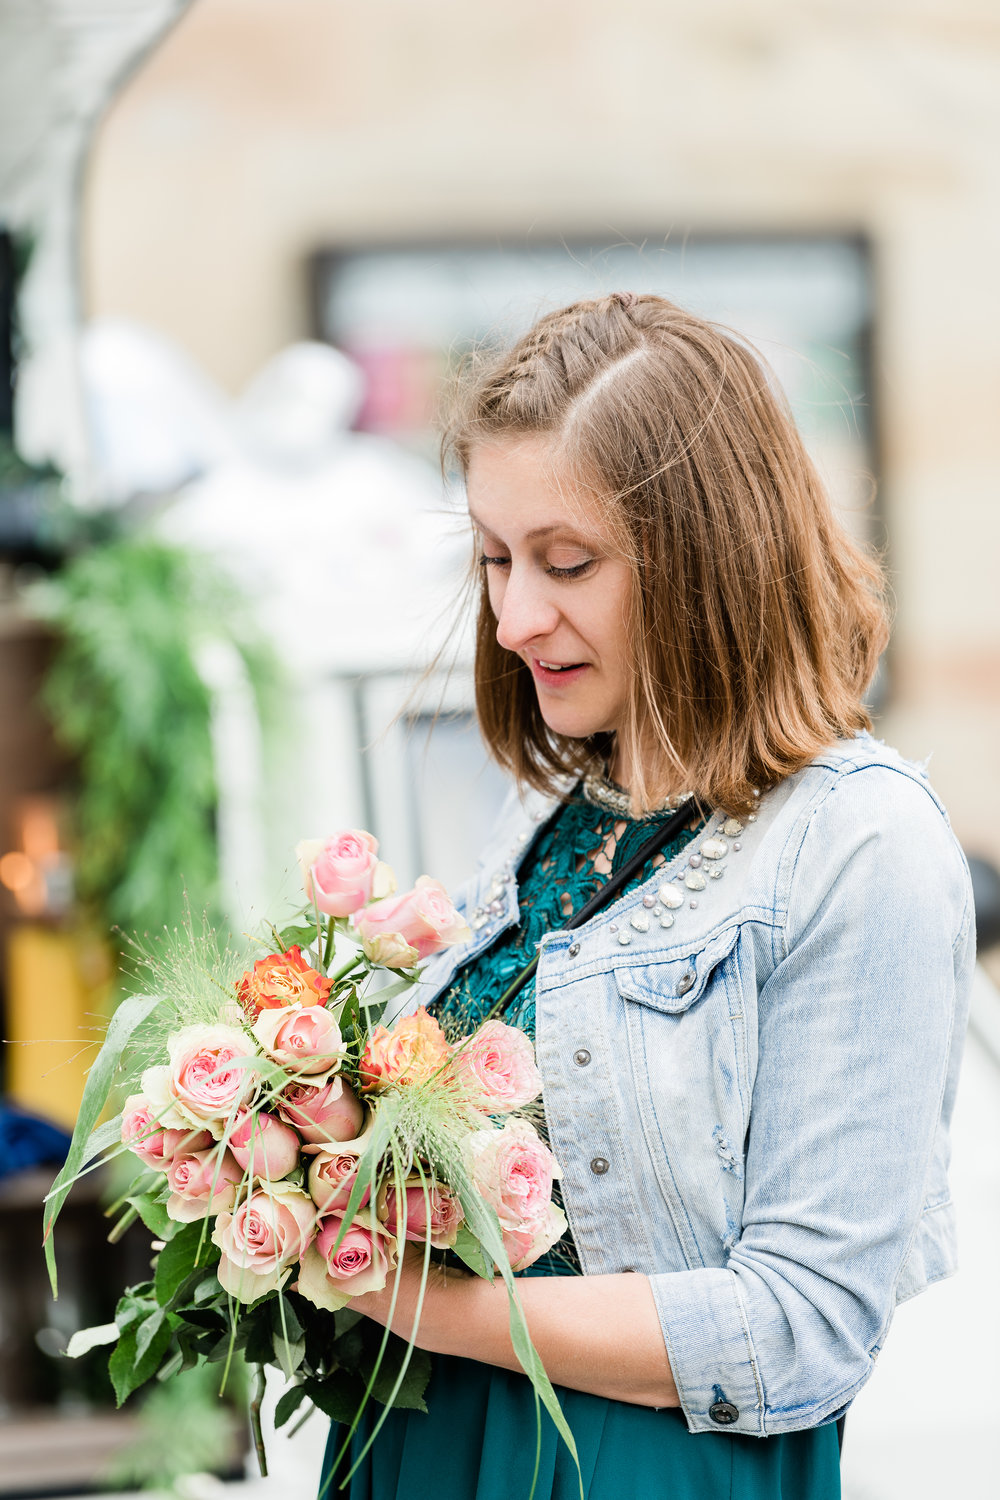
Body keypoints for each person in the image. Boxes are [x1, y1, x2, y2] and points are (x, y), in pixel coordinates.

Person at [318, 293, 974, 1499]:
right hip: (427, 1445)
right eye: (493, 558)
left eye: (565, 563)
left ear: (708, 560)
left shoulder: (860, 842)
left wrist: (421, 1303)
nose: (514, 618)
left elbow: (801, 1324)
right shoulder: (561, 806)